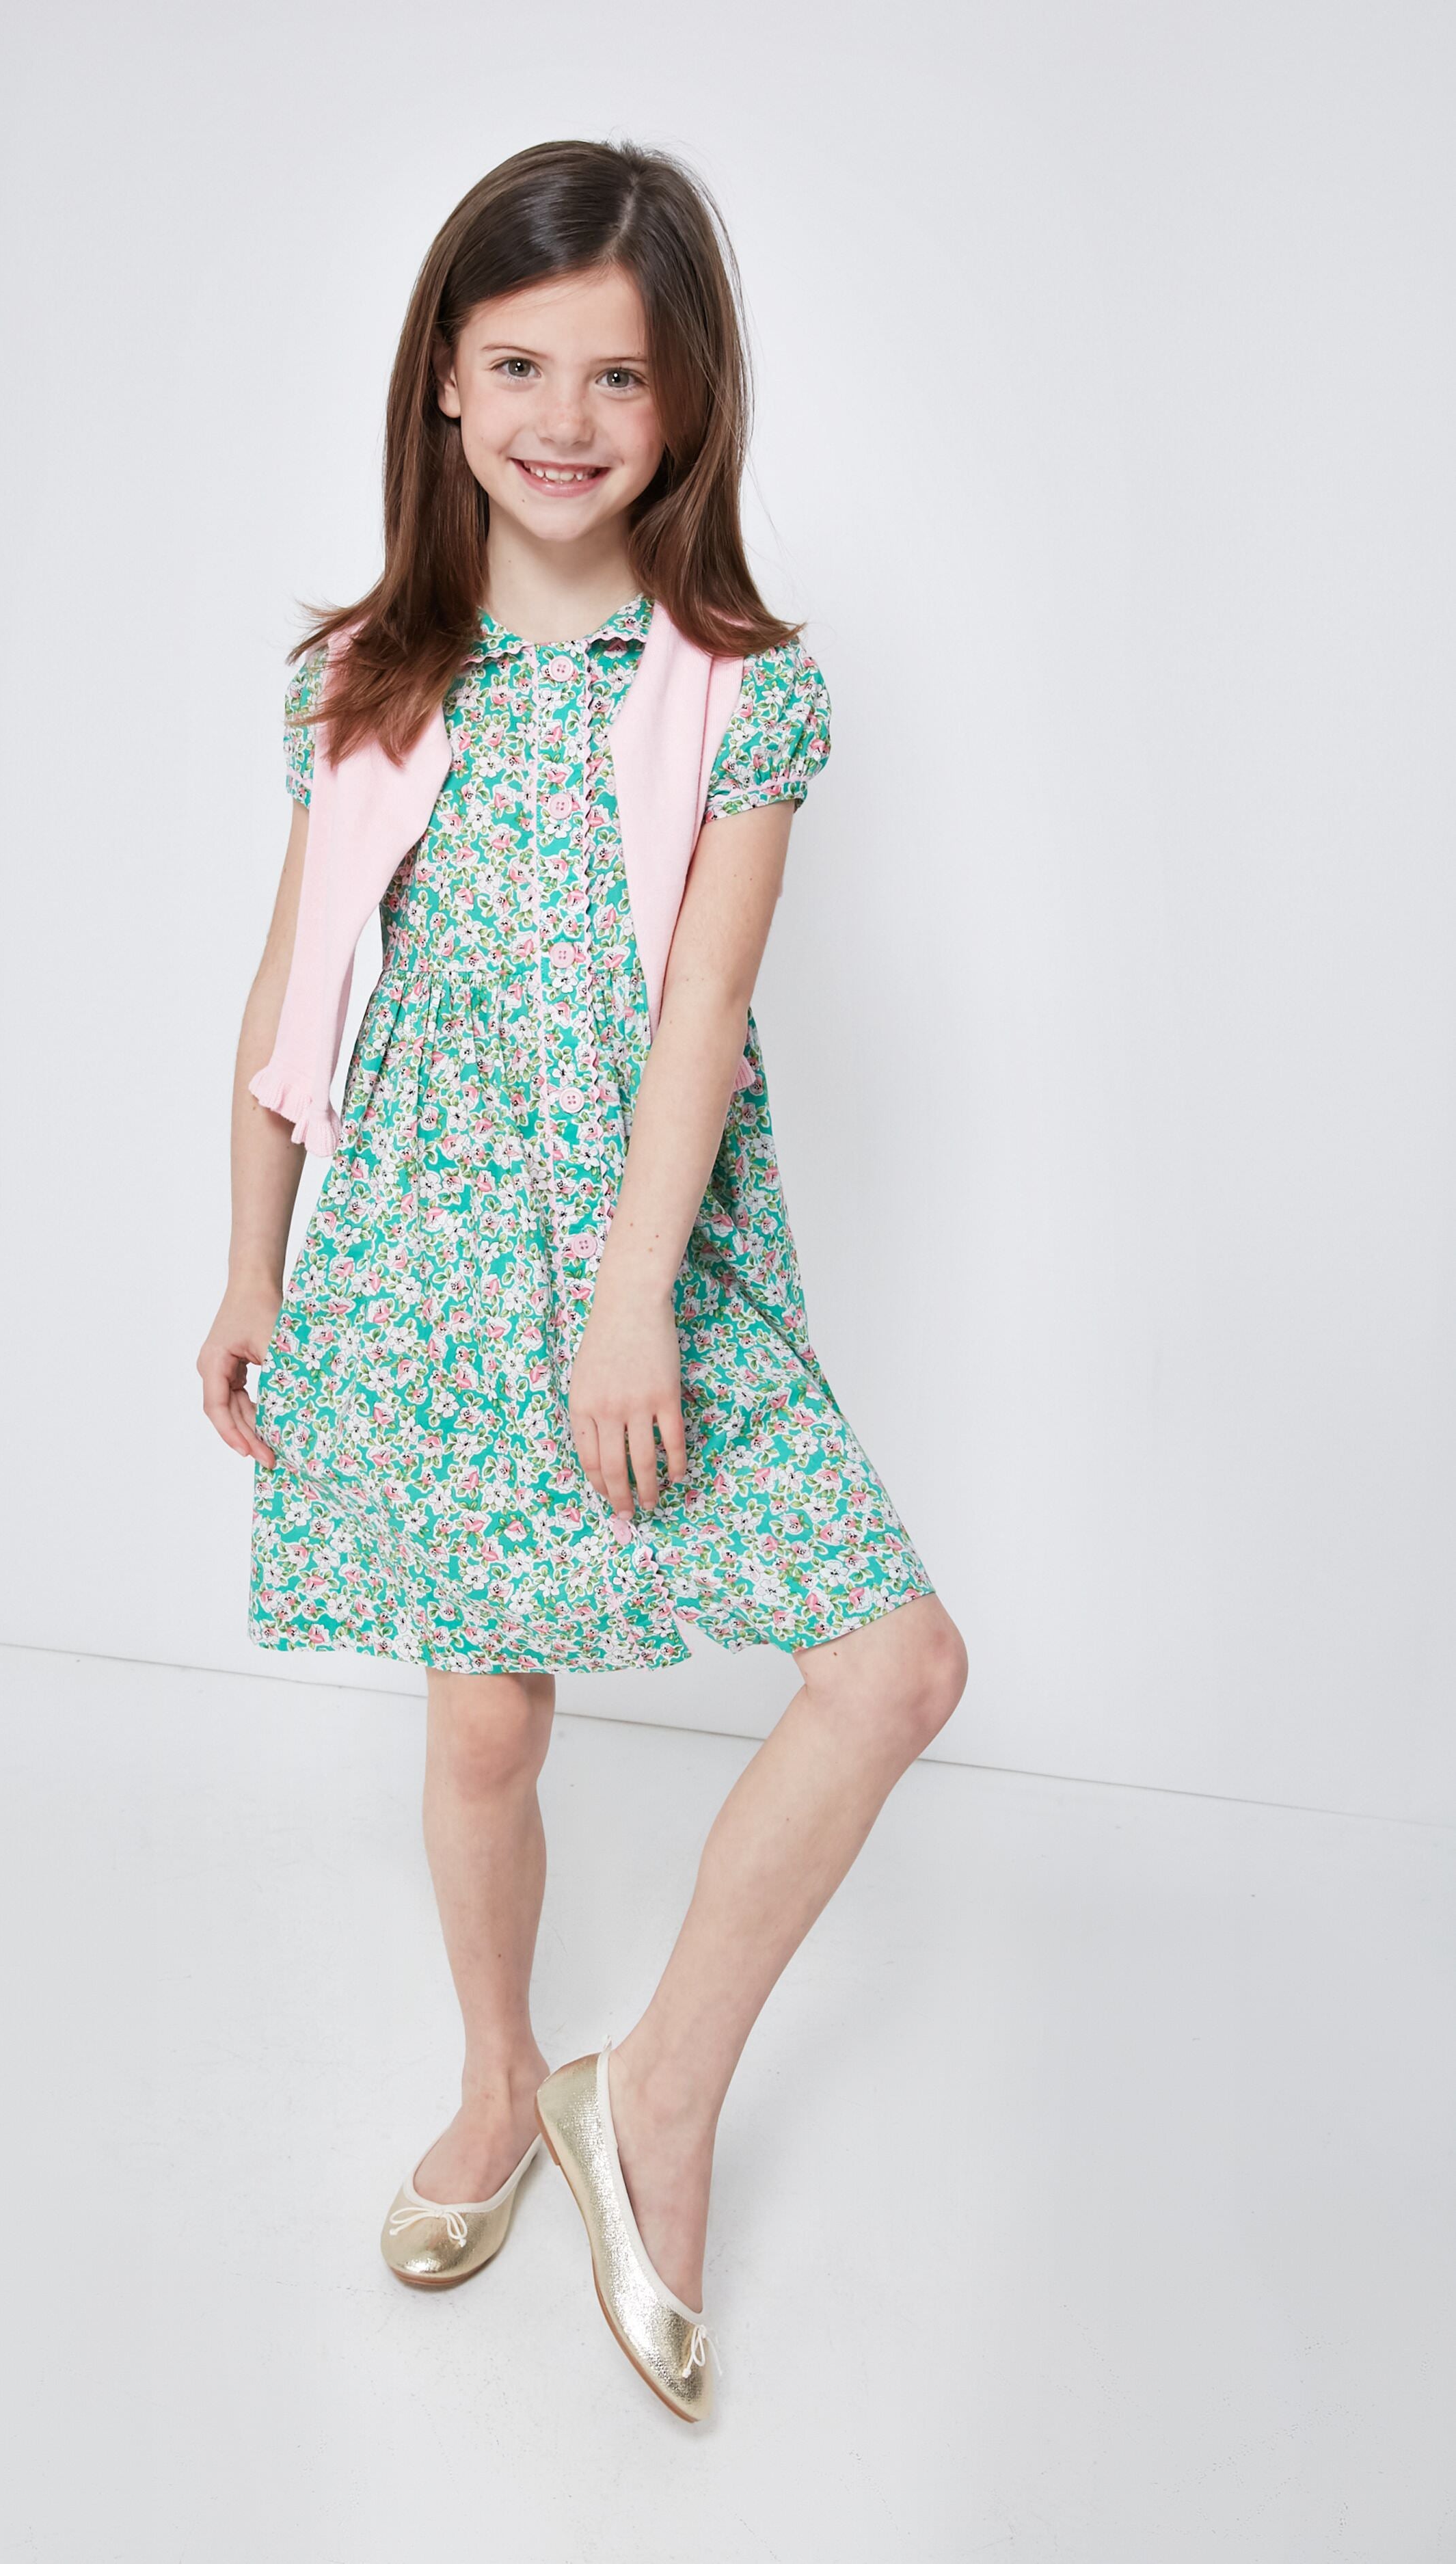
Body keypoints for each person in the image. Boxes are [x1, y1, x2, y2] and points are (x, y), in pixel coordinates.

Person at [196, 137, 967, 2424]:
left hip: (651, 1253)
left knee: (893, 1666)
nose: (564, 416)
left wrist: (634, 1303)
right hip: (424, 1260)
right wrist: (248, 1270)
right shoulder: (361, 677)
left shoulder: (738, 689)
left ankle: (650, 2098)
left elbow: (702, 1017)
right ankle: (493, 2073)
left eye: (616, 376)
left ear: (684, 402)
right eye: (519, 363)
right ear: (443, 381)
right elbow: (290, 996)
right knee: (484, 1718)